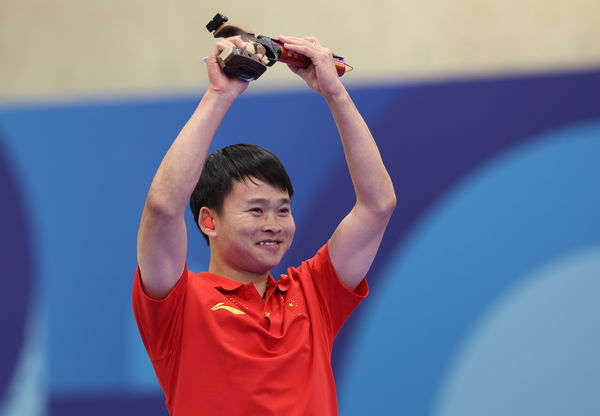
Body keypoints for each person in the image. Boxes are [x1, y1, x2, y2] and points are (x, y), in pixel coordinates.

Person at [132, 34, 396, 416]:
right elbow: (162, 208)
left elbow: (378, 205)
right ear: (209, 221)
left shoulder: (314, 294)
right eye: (256, 211)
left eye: (283, 210)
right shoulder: (177, 302)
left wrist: (335, 93)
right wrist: (219, 95)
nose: (274, 224)